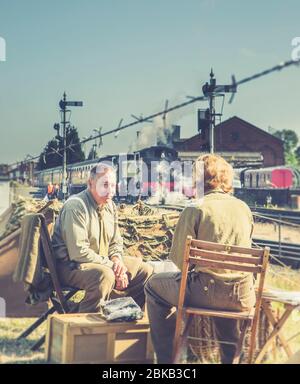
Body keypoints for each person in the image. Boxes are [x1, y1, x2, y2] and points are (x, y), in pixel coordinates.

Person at [145, 154, 255, 364]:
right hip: (242, 296)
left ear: (199, 179)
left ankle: (167, 363)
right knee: (226, 285)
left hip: (206, 293)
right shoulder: (244, 208)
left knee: (153, 287)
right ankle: (230, 360)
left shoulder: (195, 208)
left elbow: (180, 261)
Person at [52, 163, 153, 313]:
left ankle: (121, 315)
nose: (111, 191)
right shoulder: (76, 206)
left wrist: (117, 260)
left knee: (145, 271)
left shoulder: (110, 206)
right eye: (105, 185)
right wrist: (113, 267)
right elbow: (79, 252)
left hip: (101, 260)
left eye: (113, 185)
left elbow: (115, 242)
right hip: (70, 266)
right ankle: (86, 327)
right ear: (90, 183)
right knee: (105, 276)